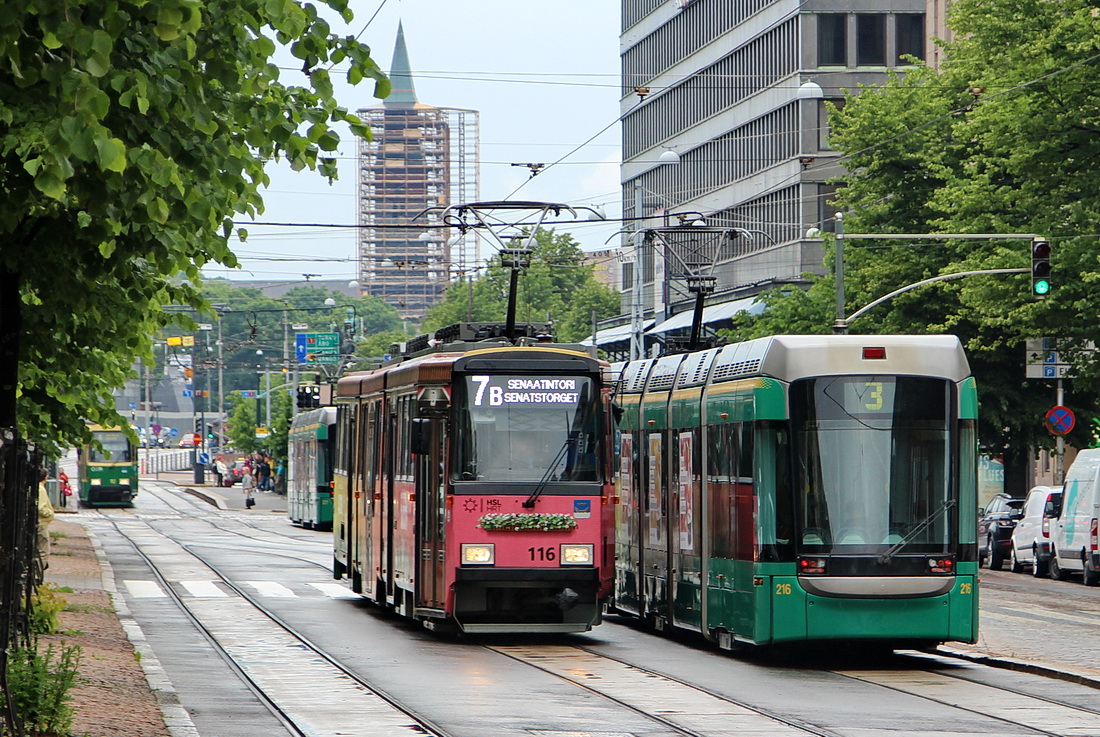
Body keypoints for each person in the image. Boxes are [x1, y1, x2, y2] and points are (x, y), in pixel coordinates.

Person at [36, 468, 55, 574]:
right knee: (43, 551)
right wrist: (50, 513)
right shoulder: (41, 489)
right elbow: (40, 508)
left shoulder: (35, 487)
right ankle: (38, 573)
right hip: (42, 523)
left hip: (39, 522)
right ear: (45, 478)